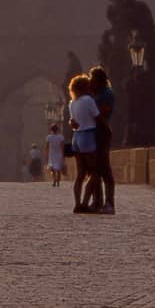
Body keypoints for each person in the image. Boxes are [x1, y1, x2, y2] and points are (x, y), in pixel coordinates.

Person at [67, 74, 100, 213]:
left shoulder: (72, 103)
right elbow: (97, 116)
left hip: (77, 137)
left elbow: (73, 121)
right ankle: (86, 202)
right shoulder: (88, 100)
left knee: (80, 174)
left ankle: (77, 203)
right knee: (95, 172)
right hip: (88, 135)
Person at [87, 66, 116, 213]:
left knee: (104, 169)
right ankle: (97, 201)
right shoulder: (97, 94)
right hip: (94, 133)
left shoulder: (106, 94)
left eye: (92, 78)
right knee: (94, 170)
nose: (90, 81)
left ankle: (109, 203)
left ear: (98, 80)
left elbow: (103, 113)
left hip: (101, 133)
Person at [45, 121, 65, 187]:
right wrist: (63, 155)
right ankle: (58, 182)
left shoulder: (49, 137)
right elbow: (62, 147)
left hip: (52, 154)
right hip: (59, 154)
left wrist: (46, 154)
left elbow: (47, 147)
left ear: (51, 129)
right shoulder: (61, 137)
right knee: (58, 169)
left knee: (53, 169)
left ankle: (54, 180)